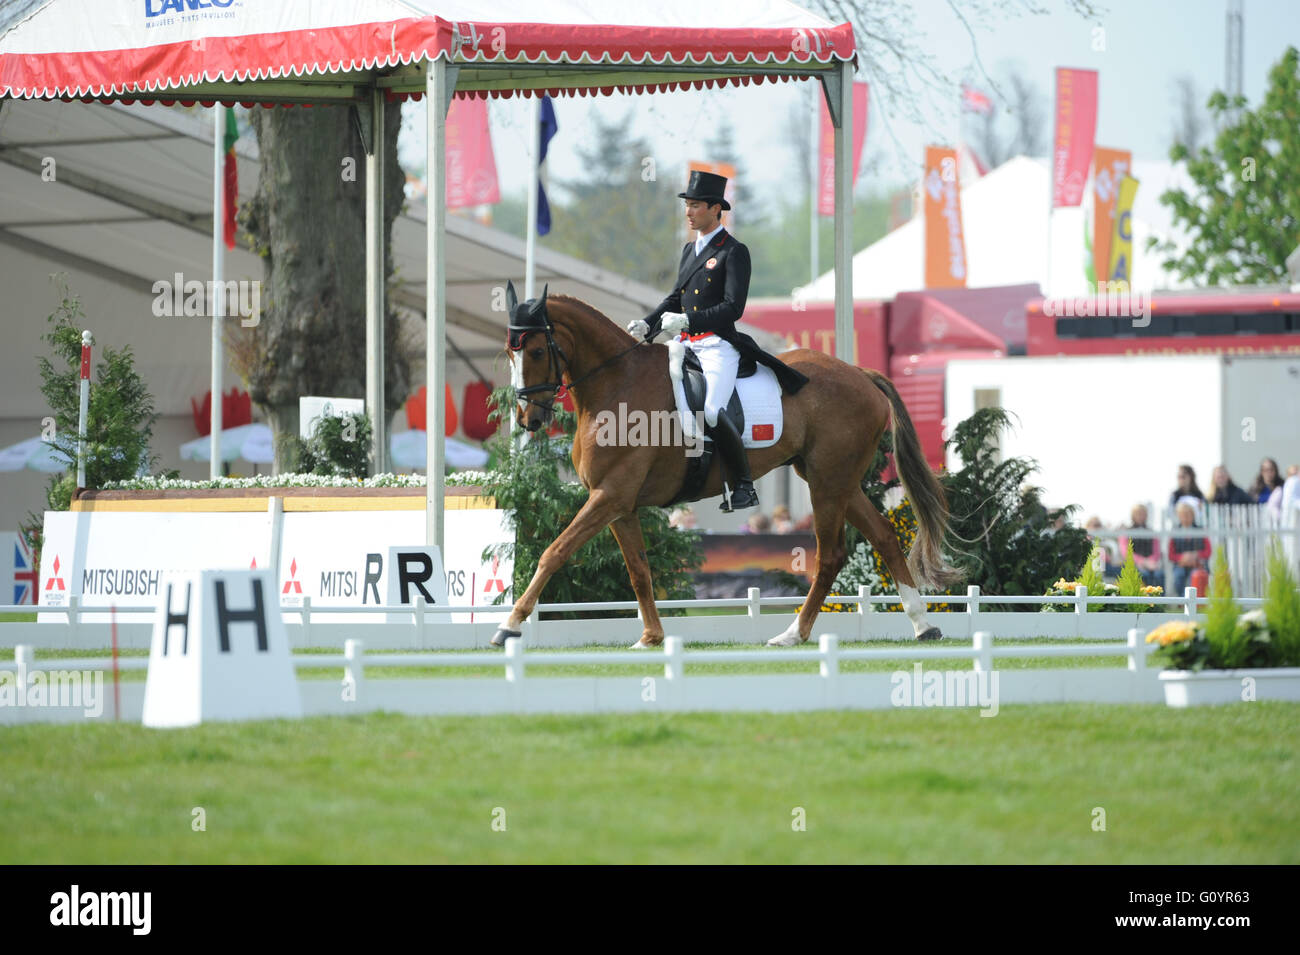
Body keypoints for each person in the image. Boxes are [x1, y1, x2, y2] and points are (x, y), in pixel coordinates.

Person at [627, 169, 808, 513]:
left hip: (718, 346)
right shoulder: (688, 250)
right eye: (687, 205)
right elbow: (674, 298)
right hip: (685, 343)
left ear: (715, 209)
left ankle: (743, 485)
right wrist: (646, 325)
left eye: (695, 206)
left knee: (711, 410)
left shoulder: (733, 251)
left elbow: (732, 308)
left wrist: (689, 319)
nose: (689, 212)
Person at [1168, 502, 1211, 595]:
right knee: (1179, 576)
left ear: (1193, 515)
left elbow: (1208, 551)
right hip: (1180, 564)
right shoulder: (1174, 532)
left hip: (1198, 564)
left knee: (1197, 576)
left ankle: (1197, 602)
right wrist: (1182, 558)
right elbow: (1171, 555)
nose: (1186, 517)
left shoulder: (1201, 530)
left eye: (1188, 514)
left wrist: (1196, 555)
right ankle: (1183, 602)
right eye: (1183, 515)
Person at [1118, 504, 1162, 587]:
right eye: (1138, 514)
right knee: (1144, 575)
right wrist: (1143, 562)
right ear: (1133, 515)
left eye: (1143, 514)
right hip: (1134, 565)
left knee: (1159, 575)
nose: (1141, 516)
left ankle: (1159, 599)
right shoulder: (1126, 532)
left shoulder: (1152, 532)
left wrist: (1150, 562)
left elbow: (1157, 552)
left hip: (1151, 564)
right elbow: (1126, 553)